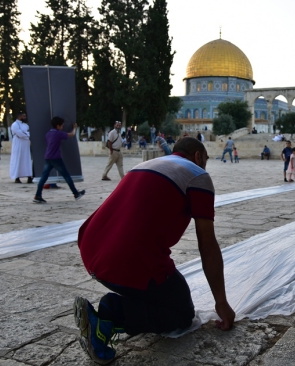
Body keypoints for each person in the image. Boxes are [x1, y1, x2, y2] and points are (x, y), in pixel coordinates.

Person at [74, 137, 235, 364]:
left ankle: (117, 304)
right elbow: (207, 244)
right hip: (127, 260)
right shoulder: (198, 175)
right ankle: (108, 319)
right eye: (205, 160)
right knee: (181, 314)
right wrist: (221, 302)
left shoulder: (143, 166)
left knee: (164, 291)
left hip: (91, 252)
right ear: (198, 156)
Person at [33, 117, 85, 203]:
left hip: (48, 157)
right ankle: (76, 193)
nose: (62, 127)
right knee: (67, 176)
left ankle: (37, 195)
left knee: (43, 177)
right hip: (56, 158)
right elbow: (71, 134)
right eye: (62, 126)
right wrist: (74, 128)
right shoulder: (59, 133)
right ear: (58, 126)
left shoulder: (48, 134)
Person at [10, 112, 33, 183]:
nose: (25, 117)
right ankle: (17, 177)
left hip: (25, 144)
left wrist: (26, 134)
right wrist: (26, 134)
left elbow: (29, 132)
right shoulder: (14, 125)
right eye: (24, 116)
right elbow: (20, 134)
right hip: (18, 143)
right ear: (19, 116)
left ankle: (29, 176)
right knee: (18, 159)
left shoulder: (26, 125)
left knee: (27, 160)